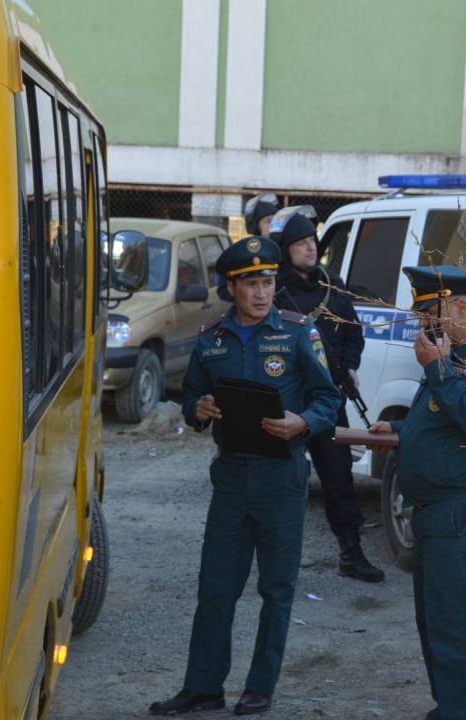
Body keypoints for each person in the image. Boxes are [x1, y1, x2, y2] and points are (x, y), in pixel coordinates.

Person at [150, 237, 341, 717]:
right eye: (251, 284)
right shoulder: (212, 338)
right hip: (231, 477)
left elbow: (328, 399)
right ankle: (203, 687)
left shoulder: (299, 332)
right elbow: (191, 395)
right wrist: (200, 407)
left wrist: (304, 422)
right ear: (231, 288)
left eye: (268, 282)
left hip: (282, 475)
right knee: (215, 587)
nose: (262, 293)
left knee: (276, 589)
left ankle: (260, 686)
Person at [368, 265, 466, 720]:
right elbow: (441, 417)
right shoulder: (450, 353)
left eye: (430, 313)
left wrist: (438, 371)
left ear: (460, 306)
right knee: (436, 626)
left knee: (457, 632)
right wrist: (399, 428)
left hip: (465, 514)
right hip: (437, 512)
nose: (423, 325)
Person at [269, 205, 384, 583]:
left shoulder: (333, 285)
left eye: (312, 242)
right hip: (285, 400)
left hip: (328, 398)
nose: (309, 249)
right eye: (300, 244)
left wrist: (349, 367)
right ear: (286, 250)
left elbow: (353, 332)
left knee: (338, 478)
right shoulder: (274, 290)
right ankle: (274, 561)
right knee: (284, 481)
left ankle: (351, 554)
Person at [215, 193, 281, 303]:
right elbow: (223, 291)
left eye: (276, 221)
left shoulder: (285, 252)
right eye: (268, 221)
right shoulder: (242, 253)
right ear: (255, 226)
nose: (273, 225)